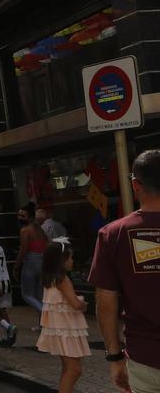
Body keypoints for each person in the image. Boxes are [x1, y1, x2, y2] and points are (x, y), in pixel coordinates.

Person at [89, 149, 160, 393]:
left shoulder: (113, 234)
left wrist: (114, 357)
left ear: (135, 184)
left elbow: (106, 301)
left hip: (146, 360)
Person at [37, 240, 90, 393]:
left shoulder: (50, 279)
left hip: (59, 329)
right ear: (61, 260)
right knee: (74, 369)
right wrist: (83, 304)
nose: (72, 261)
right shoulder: (63, 279)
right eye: (70, 258)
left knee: (68, 369)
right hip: (66, 329)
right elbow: (75, 304)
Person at [14, 202, 49, 325]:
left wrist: (17, 267)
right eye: (19, 215)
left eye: (23, 216)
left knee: (26, 294)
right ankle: (42, 323)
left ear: (30, 217)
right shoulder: (39, 229)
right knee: (39, 295)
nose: (20, 218)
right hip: (42, 262)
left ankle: (46, 316)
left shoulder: (25, 231)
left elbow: (23, 250)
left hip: (31, 262)